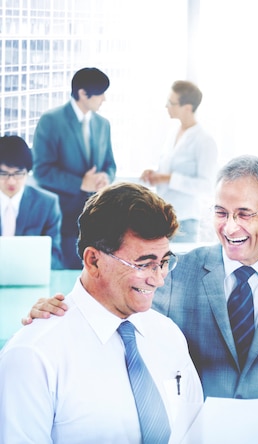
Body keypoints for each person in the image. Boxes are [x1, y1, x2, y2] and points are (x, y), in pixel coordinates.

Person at [24, 155, 258, 443]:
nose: (230, 227)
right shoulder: (175, 270)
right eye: (221, 212)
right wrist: (67, 308)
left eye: (244, 214)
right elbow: (119, 299)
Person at [0, 182, 203, 443]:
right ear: (93, 261)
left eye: (163, 263)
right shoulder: (33, 356)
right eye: (144, 264)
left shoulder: (168, 335)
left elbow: (194, 433)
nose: (159, 279)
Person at [33, 67, 116, 269]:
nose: (103, 99)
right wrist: (81, 183)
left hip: (97, 218)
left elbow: (110, 164)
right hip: (63, 217)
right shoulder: (51, 121)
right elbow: (42, 171)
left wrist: (105, 177)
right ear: (82, 93)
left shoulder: (103, 124)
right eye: (99, 93)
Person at [140, 80, 218, 243]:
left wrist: (168, 179)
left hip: (186, 220)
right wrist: (155, 174)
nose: (166, 106)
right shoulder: (173, 133)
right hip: (163, 216)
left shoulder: (204, 141)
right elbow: (169, 167)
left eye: (171, 102)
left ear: (187, 108)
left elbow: (206, 185)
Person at [0, 135, 62, 268]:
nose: (11, 181)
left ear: (27, 172)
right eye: (3, 174)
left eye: (18, 173)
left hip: (29, 276)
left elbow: (55, 258)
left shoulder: (47, 204)